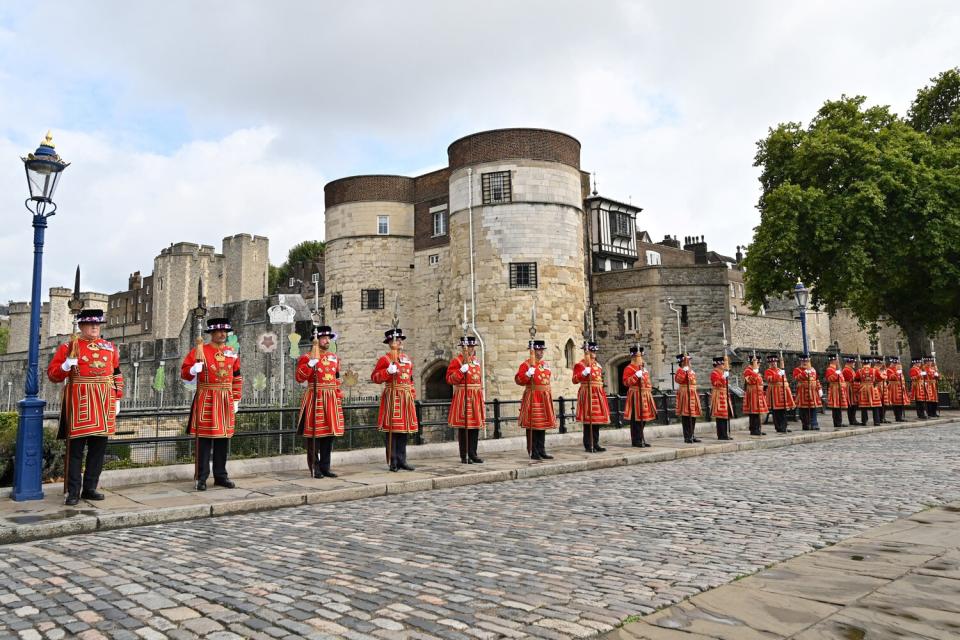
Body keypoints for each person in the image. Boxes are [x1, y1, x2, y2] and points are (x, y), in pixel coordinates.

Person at [48, 309, 124, 506]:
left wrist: (117, 398)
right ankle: (73, 490)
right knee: (75, 451)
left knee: (98, 450)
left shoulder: (109, 347)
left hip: (104, 401)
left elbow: (116, 373)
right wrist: (66, 366)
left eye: (97, 324)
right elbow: (53, 375)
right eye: (91, 324)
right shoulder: (68, 347)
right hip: (79, 400)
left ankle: (90, 488)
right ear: (81, 326)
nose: (95, 327)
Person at [181, 317, 242, 491]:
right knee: (204, 441)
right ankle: (201, 477)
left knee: (223, 440)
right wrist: (193, 370)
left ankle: (221, 475)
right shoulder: (200, 350)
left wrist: (236, 398)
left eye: (225, 331)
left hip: (225, 398)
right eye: (219, 331)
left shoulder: (232, 352)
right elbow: (185, 372)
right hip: (207, 396)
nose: (223, 334)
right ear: (212, 333)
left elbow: (237, 377)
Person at [295, 325, 344, 478]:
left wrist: (338, 394)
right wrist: (310, 364)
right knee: (314, 436)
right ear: (316, 340)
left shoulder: (334, 357)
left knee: (329, 435)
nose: (327, 340)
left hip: (330, 398)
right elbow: (299, 377)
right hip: (315, 396)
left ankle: (325, 467)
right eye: (323, 338)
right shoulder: (307, 357)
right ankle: (314, 467)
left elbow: (337, 378)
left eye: (328, 338)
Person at [371, 328, 418, 472]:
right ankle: (393, 460)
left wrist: (412, 393)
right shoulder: (385, 359)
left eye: (400, 340)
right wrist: (387, 372)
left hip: (405, 397)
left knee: (403, 431)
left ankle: (402, 459)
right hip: (393, 396)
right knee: (392, 431)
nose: (400, 342)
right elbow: (375, 377)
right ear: (390, 342)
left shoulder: (406, 359)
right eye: (397, 340)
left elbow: (410, 379)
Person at [515, 339, 557, 460]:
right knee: (533, 424)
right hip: (533, 396)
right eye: (538, 350)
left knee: (542, 424)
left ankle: (541, 449)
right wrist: (528, 374)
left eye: (542, 350)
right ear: (532, 351)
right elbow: (520, 380)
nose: (540, 352)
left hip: (544, 396)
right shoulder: (526, 365)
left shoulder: (545, 364)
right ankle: (533, 451)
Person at [446, 335, 485, 464]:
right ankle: (464, 455)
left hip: (475, 395)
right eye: (469, 347)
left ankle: (473, 453)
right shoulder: (457, 362)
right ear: (463, 348)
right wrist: (461, 371)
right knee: (464, 427)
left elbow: (478, 379)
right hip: (463, 396)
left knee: (475, 426)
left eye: (473, 347)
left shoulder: (476, 361)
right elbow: (450, 379)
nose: (471, 349)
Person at [573, 341, 610, 453]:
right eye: (591, 351)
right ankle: (589, 444)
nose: (594, 353)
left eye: (594, 351)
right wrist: (583, 373)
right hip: (587, 393)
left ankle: (596, 442)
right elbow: (574, 379)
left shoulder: (597, 365)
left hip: (597, 393)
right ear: (586, 351)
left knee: (596, 421)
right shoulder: (580, 365)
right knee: (588, 420)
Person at [623, 346, 656, 447]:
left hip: (645, 395)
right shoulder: (629, 368)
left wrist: (649, 390)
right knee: (636, 419)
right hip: (636, 395)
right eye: (639, 356)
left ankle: (641, 438)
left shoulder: (643, 369)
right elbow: (626, 382)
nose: (640, 358)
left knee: (644, 419)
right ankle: (636, 440)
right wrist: (636, 376)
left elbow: (648, 381)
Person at [674, 353, 702, 443]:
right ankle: (687, 436)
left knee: (693, 415)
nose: (690, 362)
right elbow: (679, 380)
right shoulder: (680, 370)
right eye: (688, 360)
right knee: (686, 415)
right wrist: (684, 372)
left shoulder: (690, 370)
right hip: (685, 393)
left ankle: (692, 434)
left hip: (692, 393)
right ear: (683, 362)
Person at [765, 355, 794, 433]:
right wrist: (778, 375)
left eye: (774, 362)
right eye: (772, 362)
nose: (773, 364)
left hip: (782, 392)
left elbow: (784, 380)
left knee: (783, 411)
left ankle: (784, 426)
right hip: (775, 393)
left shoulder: (780, 370)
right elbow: (770, 379)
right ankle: (778, 427)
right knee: (777, 412)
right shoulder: (768, 371)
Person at [793, 354, 821, 431]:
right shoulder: (797, 369)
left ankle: (814, 423)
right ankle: (806, 424)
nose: (805, 362)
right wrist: (805, 372)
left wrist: (819, 388)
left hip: (813, 392)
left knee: (813, 408)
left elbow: (816, 379)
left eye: (806, 361)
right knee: (804, 410)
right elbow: (796, 378)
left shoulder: (813, 369)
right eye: (803, 361)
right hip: (803, 392)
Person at [742, 354, 767, 436]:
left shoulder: (755, 370)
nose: (759, 365)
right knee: (753, 412)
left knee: (758, 413)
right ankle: (754, 429)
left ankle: (758, 428)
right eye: (757, 363)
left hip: (758, 393)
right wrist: (755, 373)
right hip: (752, 393)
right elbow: (750, 381)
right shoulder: (747, 371)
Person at [709, 356, 733, 440]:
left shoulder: (722, 372)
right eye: (722, 364)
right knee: (720, 416)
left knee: (725, 415)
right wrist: (723, 377)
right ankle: (721, 435)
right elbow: (716, 383)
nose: (723, 365)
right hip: (719, 395)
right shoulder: (714, 373)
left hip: (724, 394)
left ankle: (725, 434)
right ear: (718, 365)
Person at [824, 353, 848, 429]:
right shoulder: (829, 369)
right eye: (836, 360)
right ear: (833, 360)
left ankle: (839, 422)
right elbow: (829, 379)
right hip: (834, 390)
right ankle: (837, 423)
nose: (837, 361)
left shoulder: (837, 369)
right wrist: (836, 374)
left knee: (839, 407)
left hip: (839, 389)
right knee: (835, 407)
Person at [857, 357, 881, 426]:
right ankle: (876, 421)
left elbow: (856, 379)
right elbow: (880, 378)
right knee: (875, 406)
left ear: (863, 363)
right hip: (872, 388)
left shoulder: (860, 371)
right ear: (870, 363)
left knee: (864, 406)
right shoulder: (874, 370)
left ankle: (864, 421)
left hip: (863, 389)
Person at [885, 357, 909, 423]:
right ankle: (897, 417)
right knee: (896, 403)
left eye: (896, 363)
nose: (895, 364)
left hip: (900, 387)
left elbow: (902, 378)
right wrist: (897, 373)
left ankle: (900, 417)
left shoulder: (898, 369)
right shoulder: (888, 370)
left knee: (901, 403)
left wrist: (903, 384)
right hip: (894, 387)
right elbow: (891, 378)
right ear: (891, 363)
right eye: (894, 363)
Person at [843, 357, 861, 425]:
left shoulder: (851, 369)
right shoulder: (846, 370)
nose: (854, 364)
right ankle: (852, 420)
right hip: (849, 388)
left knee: (853, 405)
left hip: (853, 387)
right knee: (851, 405)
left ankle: (853, 419)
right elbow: (851, 379)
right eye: (853, 362)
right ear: (849, 363)